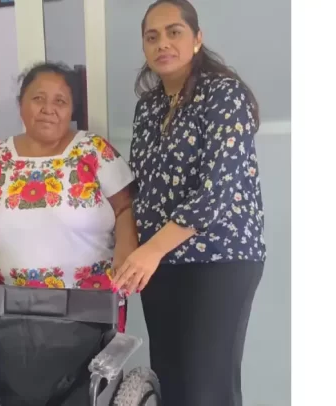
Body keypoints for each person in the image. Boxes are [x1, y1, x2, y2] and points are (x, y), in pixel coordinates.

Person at [111, 1, 266, 405]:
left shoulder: (224, 94)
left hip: (218, 259)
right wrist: (130, 246)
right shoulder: (148, 107)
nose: (162, 43)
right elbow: (140, 186)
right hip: (160, 263)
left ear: (197, 39)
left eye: (174, 32)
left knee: (206, 390)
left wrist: (150, 251)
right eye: (152, 36)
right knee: (172, 384)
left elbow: (217, 190)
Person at [0, 62, 139, 333]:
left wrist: (125, 256)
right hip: (11, 311)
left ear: (71, 110)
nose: (48, 109)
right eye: (38, 99)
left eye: (60, 101)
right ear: (21, 104)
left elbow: (126, 207)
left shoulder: (93, 150)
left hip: (90, 307)